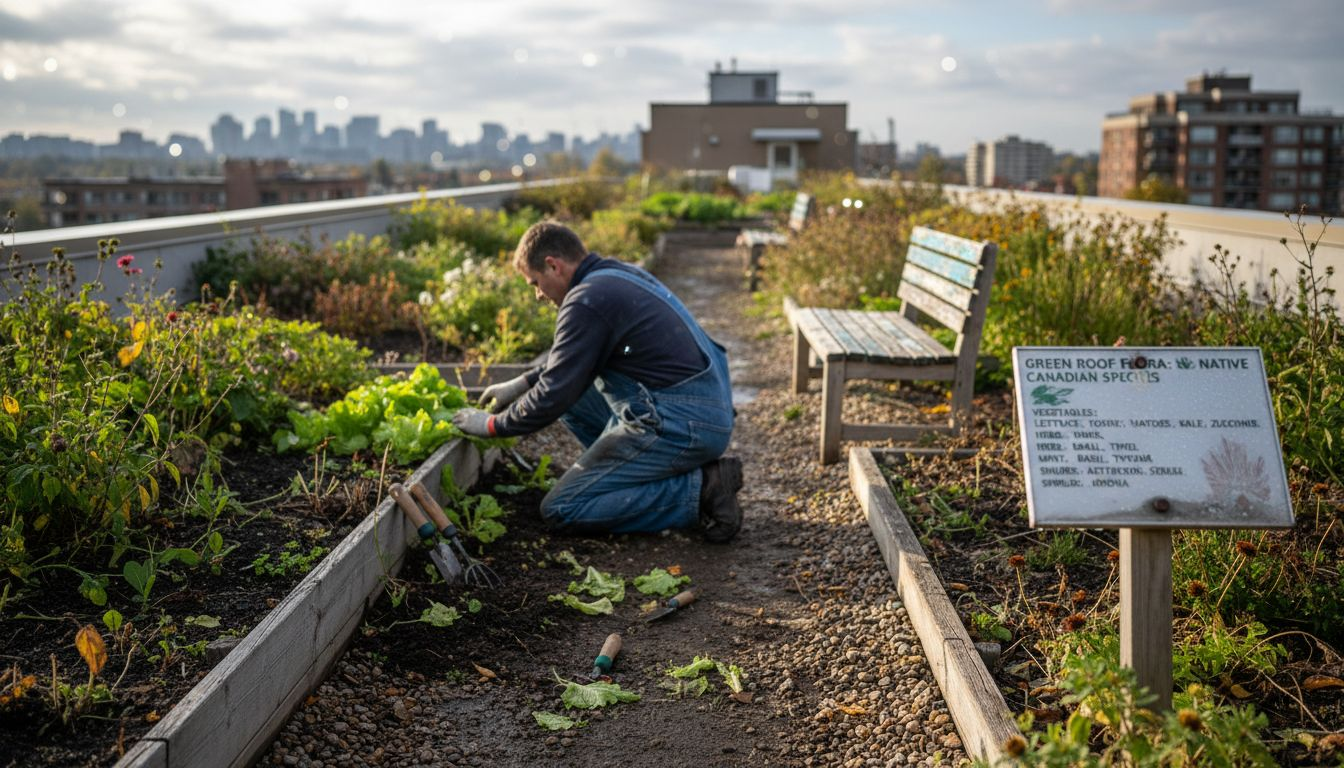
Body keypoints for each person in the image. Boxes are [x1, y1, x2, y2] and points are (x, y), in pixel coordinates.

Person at [451, 221, 743, 543]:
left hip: (684, 423)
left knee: (564, 508)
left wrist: (493, 426)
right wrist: (523, 382)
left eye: (535, 283)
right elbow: (575, 357)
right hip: (700, 408)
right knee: (576, 395)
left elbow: (554, 393)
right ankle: (622, 478)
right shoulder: (613, 276)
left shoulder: (585, 301)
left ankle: (703, 488)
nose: (537, 295)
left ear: (553, 265)